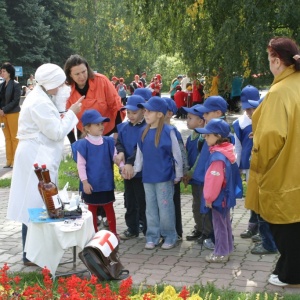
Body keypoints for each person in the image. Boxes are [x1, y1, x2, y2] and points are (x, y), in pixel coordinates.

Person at [6, 63, 83, 266]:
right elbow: (56, 132)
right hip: (35, 154)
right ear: (50, 83)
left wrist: (64, 114)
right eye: (58, 84)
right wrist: (72, 113)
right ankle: (30, 254)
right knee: (35, 203)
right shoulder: (39, 101)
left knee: (38, 202)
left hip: (36, 153)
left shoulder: (41, 96)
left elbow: (51, 123)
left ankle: (34, 252)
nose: (60, 87)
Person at [246, 37, 300, 287]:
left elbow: (269, 138)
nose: (269, 65)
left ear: (277, 61)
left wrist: (258, 165)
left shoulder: (279, 91)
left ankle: (292, 274)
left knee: (284, 224)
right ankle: (286, 268)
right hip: (294, 164)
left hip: (284, 170)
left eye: (269, 60)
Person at [132, 97, 183, 250]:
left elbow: (177, 153)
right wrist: (136, 170)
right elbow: (139, 154)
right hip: (148, 177)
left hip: (164, 177)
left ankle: (170, 236)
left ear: (160, 114)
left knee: (165, 207)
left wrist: (178, 173)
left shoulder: (169, 131)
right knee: (151, 207)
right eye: (145, 111)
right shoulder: (143, 132)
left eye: (149, 111)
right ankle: (152, 236)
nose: (145, 114)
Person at [195, 118, 242, 263]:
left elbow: (213, 181)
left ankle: (221, 253)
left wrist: (208, 198)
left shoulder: (217, 157)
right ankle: (227, 248)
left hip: (218, 198)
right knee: (225, 223)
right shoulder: (227, 151)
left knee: (219, 225)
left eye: (208, 135)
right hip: (225, 196)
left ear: (218, 137)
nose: (205, 137)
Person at [72, 109, 118, 235]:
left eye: (101, 124)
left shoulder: (108, 142)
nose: (101, 126)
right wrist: (85, 182)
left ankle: (113, 233)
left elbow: (115, 157)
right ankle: (93, 234)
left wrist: (122, 164)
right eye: (97, 124)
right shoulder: (82, 145)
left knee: (109, 208)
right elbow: (81, 166)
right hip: (91, 184)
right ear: (87, 128)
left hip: (106, 182)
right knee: (92, 210)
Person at [192, 96, 229, 248]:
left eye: (206, 113)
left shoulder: (221, 135)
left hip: (216, 184)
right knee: (207, 210)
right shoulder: (210, 133)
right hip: (204, 178)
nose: (204, 116)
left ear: (218, 112)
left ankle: (220, 243)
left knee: (219, 215)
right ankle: (212, 236)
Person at [64, 54, 125, 143]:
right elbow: (67, 120)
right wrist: (74, 145)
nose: (82, 76)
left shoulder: (102, 81)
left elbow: (117, 107)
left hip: (108, 132)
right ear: (70, 75)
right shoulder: (66, 91)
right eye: (77, 74)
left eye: (84, 71)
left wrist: (117, 132)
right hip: (85, 135)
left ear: (87, 69)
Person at [115, 95, 147, 240]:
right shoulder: (123, 127)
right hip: (127, 172)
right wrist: (121, 152)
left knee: (143, 201)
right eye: (128, 112)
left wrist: (129, 162)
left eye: (134, 113)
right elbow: (119, 142)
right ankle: (132, 228)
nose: (131, 116)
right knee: (129, 200)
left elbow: (139, 148)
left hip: (141, 172)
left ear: (143, 111)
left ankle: (148, 230)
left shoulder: (147, 127)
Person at [181, 105, 212, 243]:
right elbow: (186, 154)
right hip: (193, 177)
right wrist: (185, 172)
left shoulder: (203, 136)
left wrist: (192, 172)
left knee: (203, 205)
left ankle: (207, 232)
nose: (187, 121)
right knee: (195, 204)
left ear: (200, 121)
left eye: (190, 118)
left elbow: (201, 157)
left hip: (201, 177)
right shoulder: (191, 137)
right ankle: (199, 228)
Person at [233, 85, 259, 240]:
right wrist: (236, 166)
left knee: (263, 197)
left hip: (265, 165)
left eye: (253, 108)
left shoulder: (266, 118)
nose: (250, 112)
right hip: (249, 166)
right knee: (252, 196)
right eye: (247, 109)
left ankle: (265, 230)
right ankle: (253, 224)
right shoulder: (240, 123)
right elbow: (237, 146)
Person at [163, 97, 188, 240]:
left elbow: (181, 152)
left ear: (169, 113)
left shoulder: (173, 131)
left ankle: (177, 232)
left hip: (173, 175)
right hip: (159, 174)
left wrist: (183, 172)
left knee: (173, 203)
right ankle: (165, 231)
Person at [0, 62, 21, 168]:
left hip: (13, 113)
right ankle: (9, 161)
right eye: (1, 71)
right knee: (7, 138)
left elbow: (16, 100)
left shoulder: (16, 84)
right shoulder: (1, 85)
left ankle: (15, 161)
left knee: (14, 137)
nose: (1, 73)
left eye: (4, 71)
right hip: (2, 115)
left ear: (9, 72)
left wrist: (4, 109)